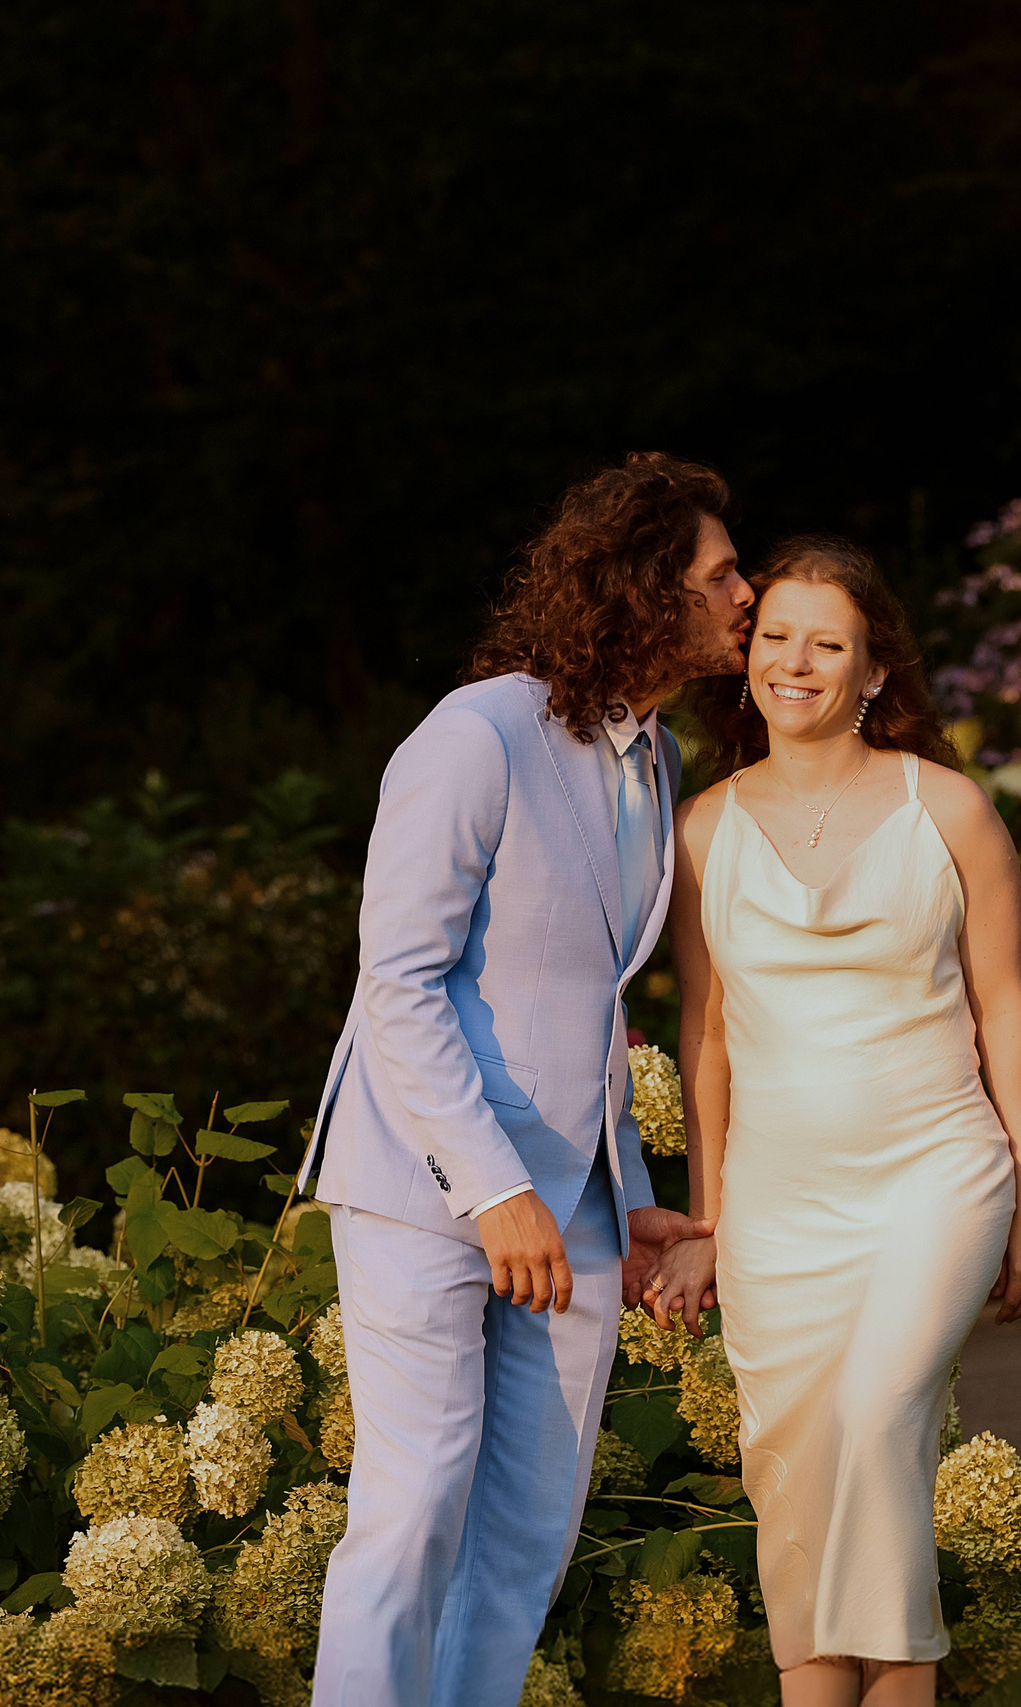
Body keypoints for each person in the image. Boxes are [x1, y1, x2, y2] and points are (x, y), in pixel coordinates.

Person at [297, 453, 754, 1706]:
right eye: (721, 574)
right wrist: (493, 1189)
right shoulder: (475, 733)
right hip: (428, 1189)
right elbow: (400, 978)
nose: (749, 594)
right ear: (646, 588)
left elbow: (583, 1009)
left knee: (527, 1539)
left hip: (580, 1213)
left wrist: (627, 1189)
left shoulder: (657, 766)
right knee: (412, 1514)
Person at [642, 536, 1021, 1706]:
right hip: (779, 1213)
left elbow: (1007, 1015)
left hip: (936, 1176)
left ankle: (910, 1681)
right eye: (775, 635)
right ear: (747, 658)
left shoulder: (954, 812)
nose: (796, 661)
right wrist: (709, 1221)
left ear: (873, 671)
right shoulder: (702, 831)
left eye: (827, 644)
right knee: (799, 1481)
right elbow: (708, 1041)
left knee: (879, 1419)